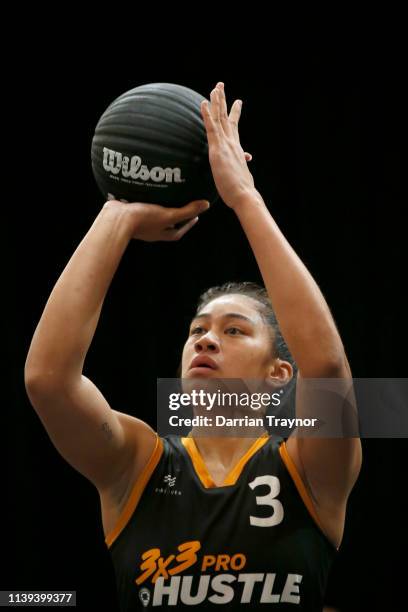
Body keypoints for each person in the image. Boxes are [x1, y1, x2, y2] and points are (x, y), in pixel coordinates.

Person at [24, 82, 362, 610]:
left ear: (278, 373)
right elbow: (47, 379)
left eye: (234, 330)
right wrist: (117, 216)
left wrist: (245, 198)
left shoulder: (309, 470)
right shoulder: (136, 464)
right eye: (197, 329)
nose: (205, 338)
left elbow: (325, 364)